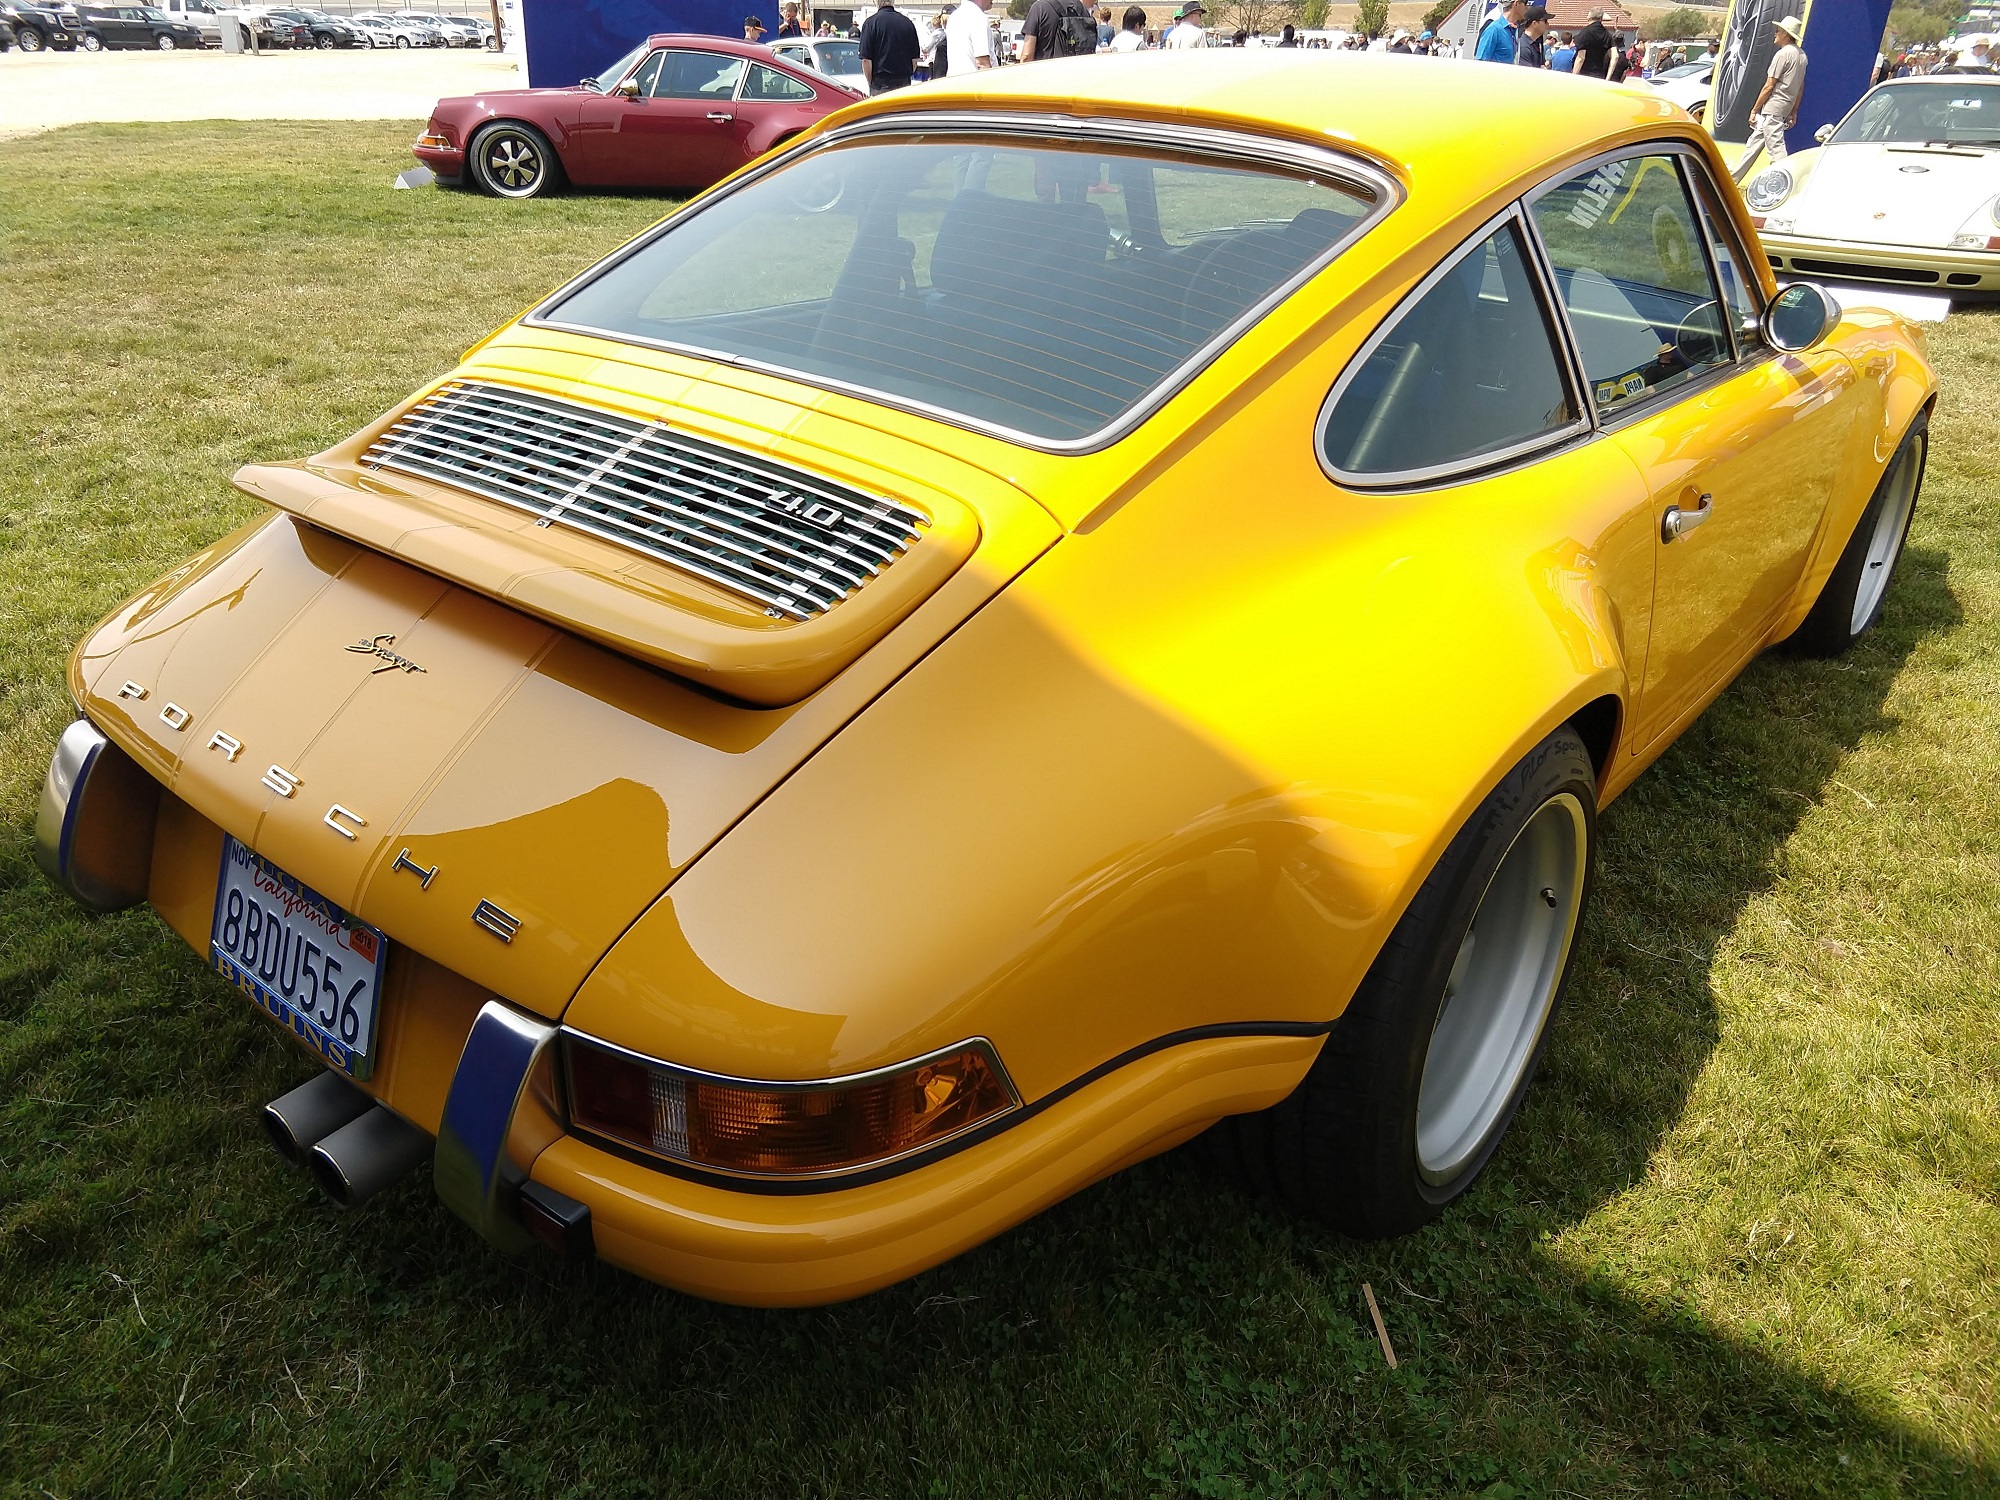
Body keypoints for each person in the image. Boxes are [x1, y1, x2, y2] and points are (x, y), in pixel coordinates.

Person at [1733, 15, 1805, 180]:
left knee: (1777, 150)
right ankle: (1731, 180)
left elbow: (1769, 85)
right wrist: (1794, 111)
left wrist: (1754, 109)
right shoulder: (1801, 56)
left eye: (1778, 31)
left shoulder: (1783, 55)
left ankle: (1784, 181)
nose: (1775, 33)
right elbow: (1800, 87)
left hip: (1773, 107)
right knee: (1753, 144)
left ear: (1786, 34)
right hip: (1784, 107)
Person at [858, 0, 920, 88]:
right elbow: (914, 60)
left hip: (881, 83)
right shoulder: (907, 23)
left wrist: (871, 83)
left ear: (876, 2)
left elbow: (866, 60)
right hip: (904, 82)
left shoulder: (870, 23)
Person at [1019, 0, 1097, 60]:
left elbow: (1027, 55)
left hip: (1045, 76)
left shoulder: (1039, 8)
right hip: (1074, 77)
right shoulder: (1083, 10)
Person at [946, 0, 994, 72]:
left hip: (957, 80)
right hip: (977, 81)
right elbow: (982, 63)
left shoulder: (954, 16)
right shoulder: (978, 17)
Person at [1571, 7, 1613, 75]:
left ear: (1589, 16)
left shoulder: (1586, 32)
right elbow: (1615, 56)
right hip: (1599, 74)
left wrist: (1573, 75)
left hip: (1585, 74)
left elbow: (1581, 58)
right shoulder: (1606, 34)